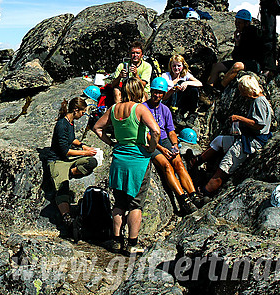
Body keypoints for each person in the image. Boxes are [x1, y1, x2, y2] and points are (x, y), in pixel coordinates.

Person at [93, 78, 161, 255]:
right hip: (138, 159)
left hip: (119, 158)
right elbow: (156, 131)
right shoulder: (140, 109)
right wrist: (151, 148)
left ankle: (116, 241)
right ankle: (132, 243)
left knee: (120, 202)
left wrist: (112, 143)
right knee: (135, 204)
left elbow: (97, 128)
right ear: (139, 91)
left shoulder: (114, 108)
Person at [186, 75, 272, 199]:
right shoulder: (258, 100)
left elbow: (259, 124)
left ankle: (204, 193)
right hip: (247, 137)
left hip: (251, 142)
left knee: (225, 166)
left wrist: (239, 118)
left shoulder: (259, 101)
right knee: (219, 140)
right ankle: (196, 161)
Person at [42, 97, 99, 235]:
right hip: (58, 160)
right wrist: (84, 152)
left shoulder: (70, 123)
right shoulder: (61, 125)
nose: (83, 114)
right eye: (82, 111)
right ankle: (67, 218)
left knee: (91, 162)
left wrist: (82, 145)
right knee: (62, 188)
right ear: (76, 110)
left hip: (68, 160)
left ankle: (70, 173)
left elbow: (71, 139)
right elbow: (64, 150)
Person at [145, 77, 198, 214]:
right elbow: (146, 134)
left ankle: (194, 195)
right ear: (151, 91)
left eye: (160, 93)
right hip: (151, 142)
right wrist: (161, 149)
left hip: (165, 139)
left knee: (179, 164)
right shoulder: (144, 108)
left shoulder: (165, 109)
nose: (157, 95)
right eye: (155, 92)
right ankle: (183, 199)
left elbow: (171, 131)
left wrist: (175, 145)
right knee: (166, 166)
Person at [206, 9, 264, 89]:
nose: (237, 25)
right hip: (244, 61)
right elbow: (236, 57)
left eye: (239, 23)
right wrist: (237, 43)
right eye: (236, 22)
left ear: (246, 23)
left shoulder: (255, 33)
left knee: (237, 66)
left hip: (254, 63)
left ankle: (219, 88)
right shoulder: (241, 34)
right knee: (216, 66)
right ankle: (208, 89)